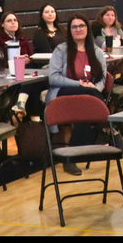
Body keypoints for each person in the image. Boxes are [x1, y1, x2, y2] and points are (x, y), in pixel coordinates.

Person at [46, 13, 112, 172]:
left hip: (88, 95)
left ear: (87, 29)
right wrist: (79, 84)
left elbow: (102, 78)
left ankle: (71, 157)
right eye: (74, 27)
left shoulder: (96, 51)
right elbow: (53, 78)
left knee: (86, 106)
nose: (78, 29)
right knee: (88, 98)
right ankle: (111, 129)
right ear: (69, 30)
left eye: (81, 26)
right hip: (63, 93)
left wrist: (95, 89)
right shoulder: (61, 50)